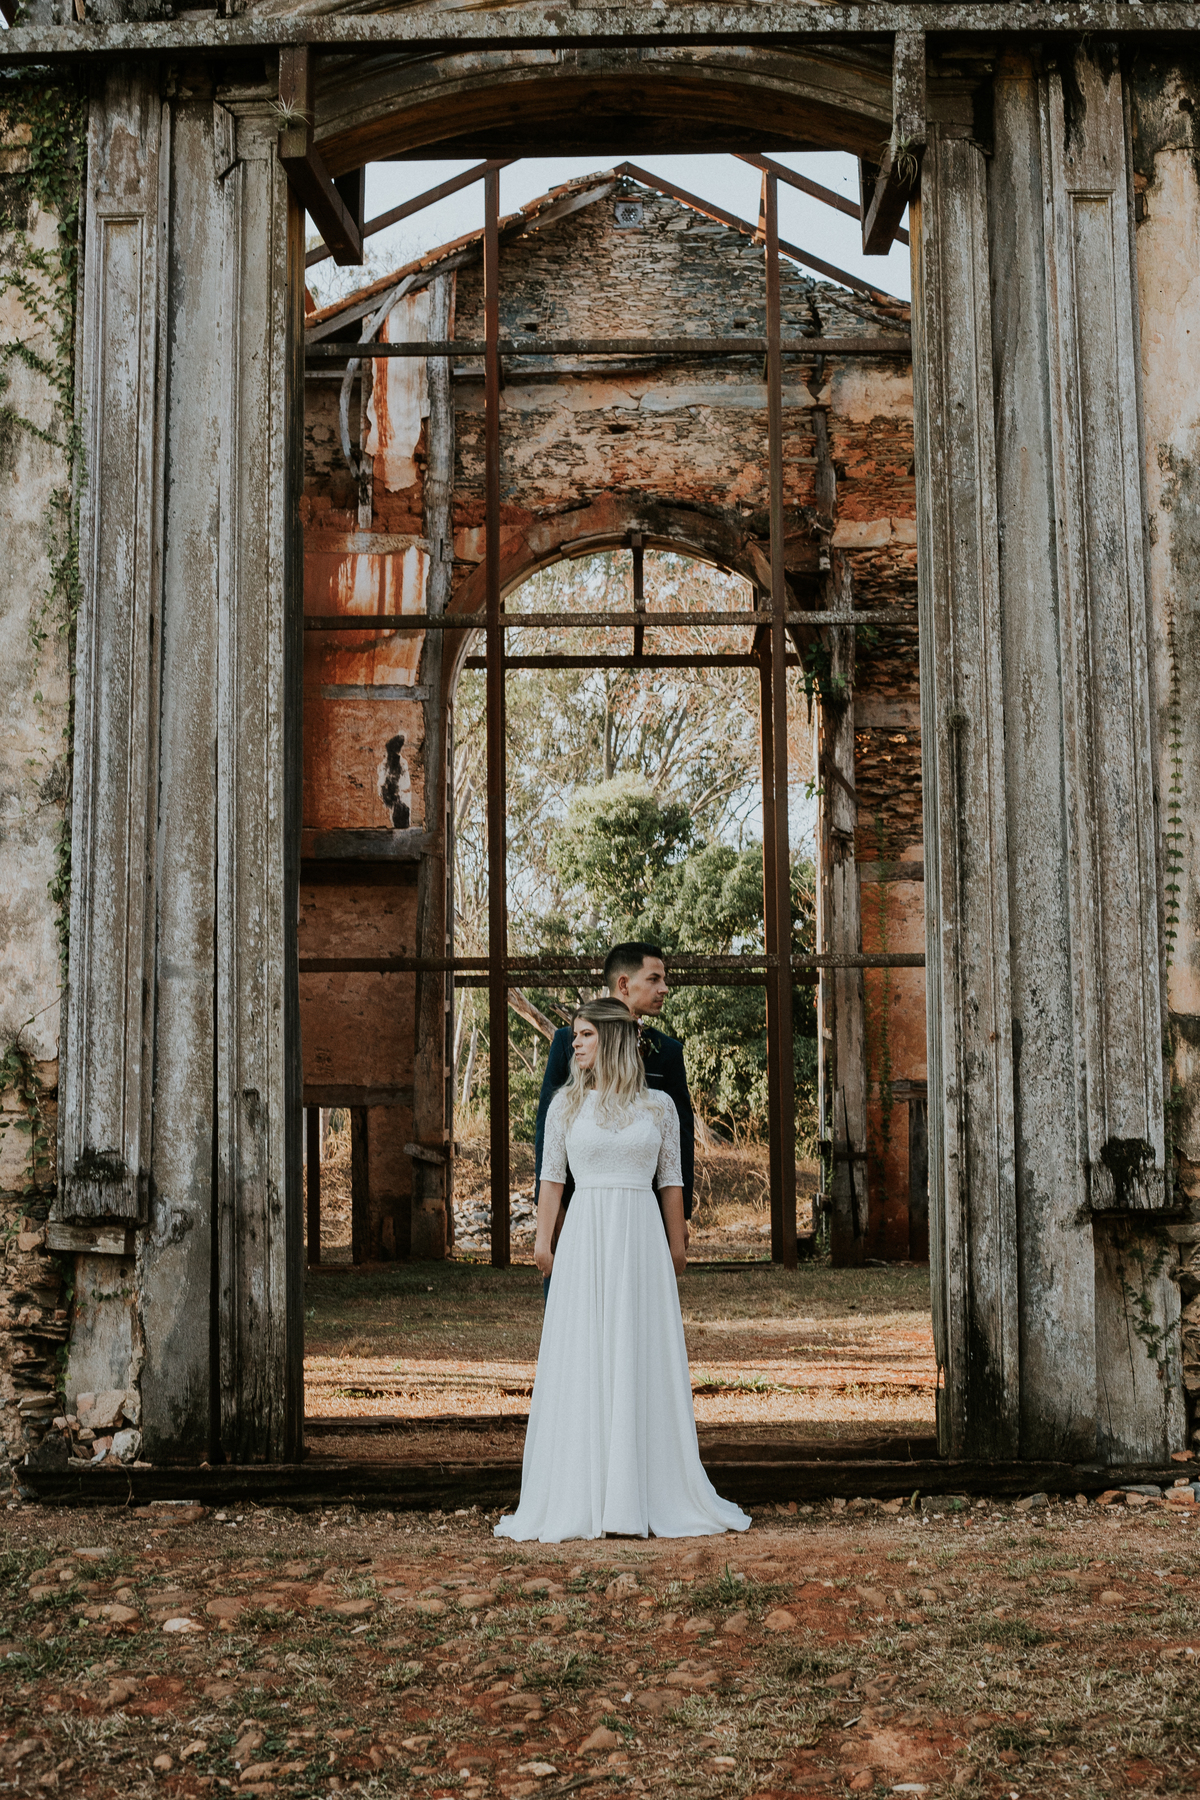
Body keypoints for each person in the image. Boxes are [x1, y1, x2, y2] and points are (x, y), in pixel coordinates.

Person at [494, 999, 750, 1542]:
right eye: (575, 1035)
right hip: (585, 1237)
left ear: (610, 1040)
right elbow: (551, 1179)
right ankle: (584, 1490)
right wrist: (543, 1241)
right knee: (586, 1351)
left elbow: (672, 1182)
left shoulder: (659, 1107)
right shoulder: (565, 1105)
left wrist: (677, 1246)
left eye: (585, 1034)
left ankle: (647, 1487)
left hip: (641, 1238)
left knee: (640, 1351)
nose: (575, 1044)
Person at [533, 942, 695, 1267]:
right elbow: (546, 1136)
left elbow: (681, 1143)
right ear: (624, 983)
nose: (664, 988)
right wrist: (553, 1212)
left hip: (642, 1215)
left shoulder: (668, 1052)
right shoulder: (568, 1043)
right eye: (654, 979)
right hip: (580, 1209)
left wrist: (678, 1220)